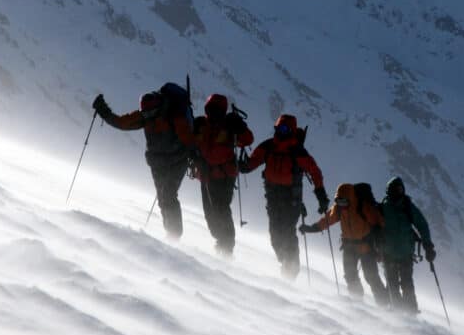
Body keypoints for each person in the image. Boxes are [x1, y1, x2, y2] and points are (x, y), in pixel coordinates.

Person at [92, 86, 194, 240]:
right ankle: (171, 233)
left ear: (157, 107)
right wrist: (103, 110)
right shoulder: (146, 115)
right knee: (163, 198)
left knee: (168, 195)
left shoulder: (174, 116)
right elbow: (122, 123)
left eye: (150, 113)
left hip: (177, 162)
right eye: (145, 113)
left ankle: (174, 235)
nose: (147, 116)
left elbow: (189, 140)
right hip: (158, 163)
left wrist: (195, 156)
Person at [239, 114, 329, 278]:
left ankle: (291, 271)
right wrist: (244, 166)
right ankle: (285, 262)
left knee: (287, 232)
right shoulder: (268, 146)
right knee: (275, 234)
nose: (281, 131)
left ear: (292, 130)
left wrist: (320, 194)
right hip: (273, 197)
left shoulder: (297, 151)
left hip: (291, 200)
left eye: (285, 128)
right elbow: (253, 161)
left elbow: (315, 172)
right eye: (279, 128)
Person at [301, 183, 388, 304]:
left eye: (344, 201)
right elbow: (328, 220)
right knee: (350, 275)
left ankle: (384, 303)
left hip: (366, 247)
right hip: (349, 247)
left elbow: (378, 223)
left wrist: (380, 243)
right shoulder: (339, 209)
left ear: (350, 198)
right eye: (339, 201)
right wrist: (313, 228)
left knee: (371, 277)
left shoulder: (362, 206)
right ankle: (357, 302)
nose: (342, 204)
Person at [192, 94, 254, 256]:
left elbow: (248, 139)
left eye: (218, 110)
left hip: (224, 177)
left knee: (221, 209)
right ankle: (222, 242)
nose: (214, 112)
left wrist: (240, 126)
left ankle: (226, 246)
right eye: (212, 109)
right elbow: (190, 141)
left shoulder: (229, 125)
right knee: (210, 213)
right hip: (206, 176)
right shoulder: (200, 124)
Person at [378, 177, 435, 312]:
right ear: (389, 191)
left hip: (399, 253)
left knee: (403, 283)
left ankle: (406, 313)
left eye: (400, 189)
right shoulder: (386, 207)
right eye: (396, 189)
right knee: (396, 284)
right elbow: (422, 225)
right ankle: (405, 313)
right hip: (394, 253)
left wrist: (428, 246)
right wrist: (428, 246)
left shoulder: (404, 207)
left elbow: (422, 225)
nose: (399, 192)